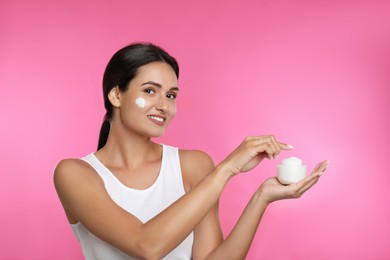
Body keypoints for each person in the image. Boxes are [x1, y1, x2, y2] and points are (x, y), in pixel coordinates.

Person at [54, 42, 329, 260]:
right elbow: (146, 245)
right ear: (116, 96)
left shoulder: (193, 166)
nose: (164, 106)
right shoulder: (76, 174)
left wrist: (262, 197)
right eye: (150, 91)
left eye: (171, 95)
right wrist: (227, 168)